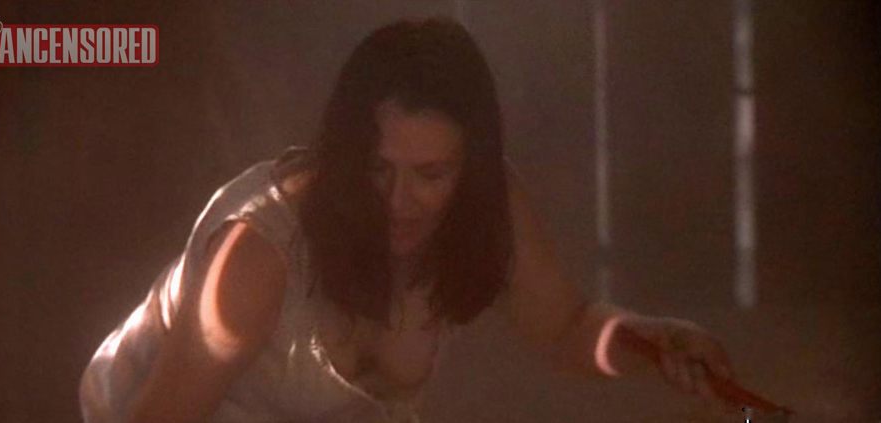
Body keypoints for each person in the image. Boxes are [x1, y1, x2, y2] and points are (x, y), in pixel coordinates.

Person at [80, 17, 737, 423]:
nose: (400, 200)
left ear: (470, 168)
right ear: (347, 156)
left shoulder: (488, 205)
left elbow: (565, 329)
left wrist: (654, 341)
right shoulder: (256, 257)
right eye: (378, 168)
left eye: (432, 174)